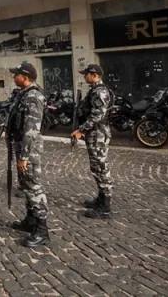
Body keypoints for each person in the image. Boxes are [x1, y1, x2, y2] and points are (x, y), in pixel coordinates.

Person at [6, 62, 50, 247]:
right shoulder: (23, 94)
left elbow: (32, 130)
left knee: (33, 187)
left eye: (16, 74)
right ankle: (31, 220)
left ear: (25, 77)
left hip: (29, 150)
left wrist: (24, 156)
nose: (13, 77)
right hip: (21, 145)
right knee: (25, 185)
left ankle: (42, 230)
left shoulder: (33, 97)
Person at [71, 64, 114, 219]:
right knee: (96, 166)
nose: (84, 77)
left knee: (101, 167)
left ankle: (105, 207)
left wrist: (81, 130)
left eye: (86, 74)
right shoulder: (95, 90)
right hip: (95, 134)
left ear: (94, 74)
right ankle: (101, 198)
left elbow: (97, 115)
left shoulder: (100, 91)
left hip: (98, 134)